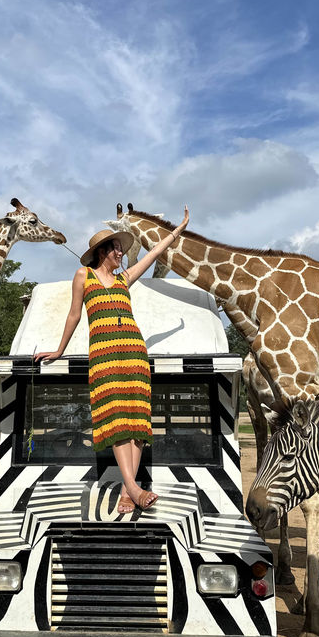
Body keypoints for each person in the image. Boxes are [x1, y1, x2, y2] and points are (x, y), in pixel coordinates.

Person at [36, 206, 189, 513]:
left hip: (134, 352)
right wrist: (59, 350)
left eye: (121, 249)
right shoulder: (84, 275)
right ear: (103, 251)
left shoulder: (124, 279)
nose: (122, 253)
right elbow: (74, 314)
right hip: (104, 356)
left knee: (135, 421)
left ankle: (126, 492)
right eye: (117, 249)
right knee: (117, 418)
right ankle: (134, 487)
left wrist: (177, 230)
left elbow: (153, 254)